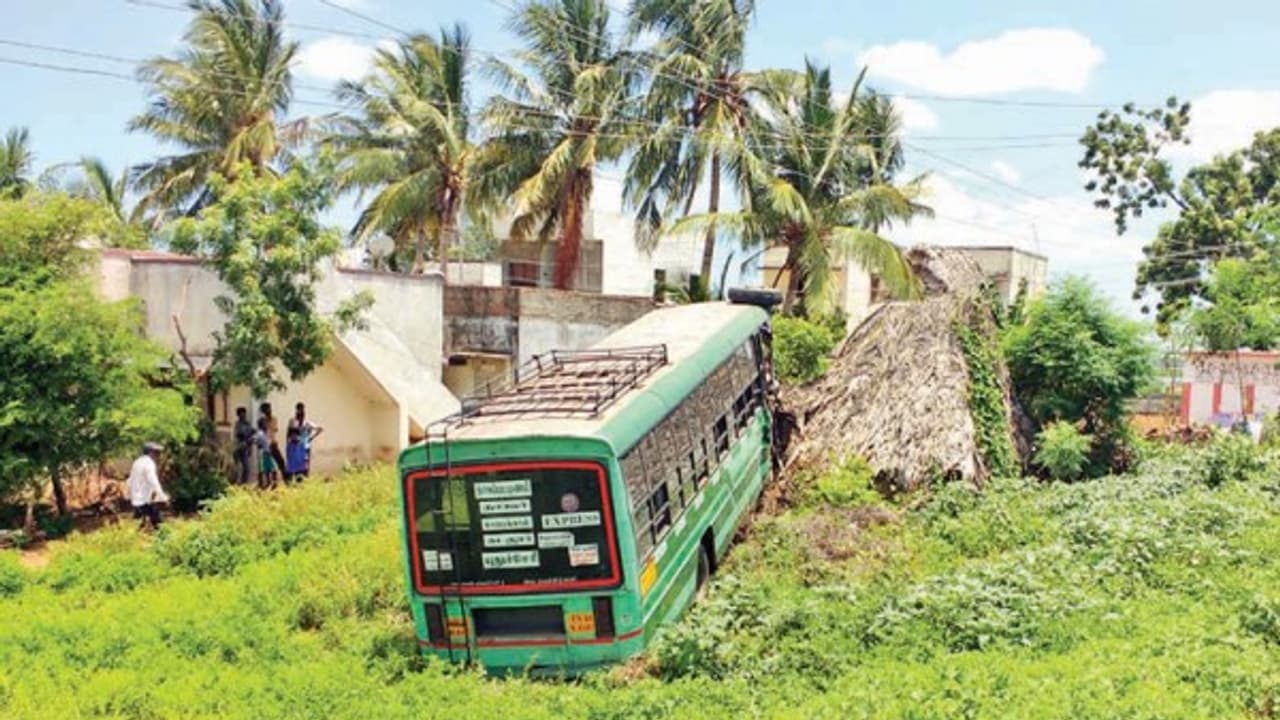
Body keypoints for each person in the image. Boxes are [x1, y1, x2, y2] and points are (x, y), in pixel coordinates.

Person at [127, 442, 169, 529]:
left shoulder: (137, 462)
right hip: (144, 500)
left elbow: (130, 481)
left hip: (137, 500)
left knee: (144, 524)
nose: (159, 455)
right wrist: (163, 497)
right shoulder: (149, 464)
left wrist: (131, 496)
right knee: (158, 524)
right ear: (151, 452)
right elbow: (153, 481)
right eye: (157, 452)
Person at [287, 402, 324, 480]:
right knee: (297, 466)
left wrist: (310, 438)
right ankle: (298, 482)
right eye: (299, 409)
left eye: (301, 409)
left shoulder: (307, 423)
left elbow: (320, 429)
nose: (300, 411)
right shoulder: (293, 421)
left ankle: (304, 482)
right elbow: (289, 434)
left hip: (304, 447)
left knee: (305, 466)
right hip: (296, 447)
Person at [259, 402, 286, 485]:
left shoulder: (274, 419)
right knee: (268, 464)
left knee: (280, 462)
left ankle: (285, 480)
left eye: (269, 408)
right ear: (263, 411)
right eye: (266, 409)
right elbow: (262, 431)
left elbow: (275, 430)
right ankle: (269, 482)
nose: (269, 410)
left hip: (273, 443)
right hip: (266, 445)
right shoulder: (261, 421)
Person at [232, 406, 254, 485]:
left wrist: (250, 447)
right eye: (241, 414)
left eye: (244, 414)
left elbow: (251, 435)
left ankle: (244, 483)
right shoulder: (237, 424)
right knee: (237, 467)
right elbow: (239, 435)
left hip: (245, 448)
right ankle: (235, 482)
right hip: (237, 447)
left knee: (246, 467)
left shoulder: (248, 424)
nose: (243, 415)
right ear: (238, 415)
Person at [256, 416, 279, 489]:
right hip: (266, 453)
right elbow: (257, 443)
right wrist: (260, 445)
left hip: (271, 452)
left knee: (274, 468)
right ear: (261, 425)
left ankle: (274, 482)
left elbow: (272, 440)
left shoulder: (268, 432)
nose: (265, 424)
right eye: (264, 423)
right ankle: (268, 482)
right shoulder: (260, 433)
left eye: (265, 423)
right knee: (267, 469)